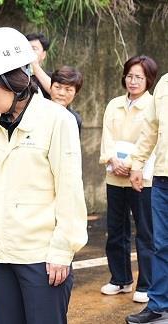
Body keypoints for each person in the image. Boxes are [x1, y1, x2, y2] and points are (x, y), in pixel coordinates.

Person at [0, 27, 88, 324]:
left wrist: (63, 249)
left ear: (14, 80)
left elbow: (70, 189)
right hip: (0, 254)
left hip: (41, 257)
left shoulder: (57, 120)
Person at [99, 55, 158, 304]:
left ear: (149, 80)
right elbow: (107, 137)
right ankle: (120, 279)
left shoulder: (154, 106)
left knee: (145, 232)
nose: (133, 81)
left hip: (141, 179)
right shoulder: (114, 104)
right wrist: (113, 161)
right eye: (129, 76)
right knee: (115, 230)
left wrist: (133, 164)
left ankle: (146, 284)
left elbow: (152, 141)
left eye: (139, 77)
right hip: (115, 176)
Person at [126, 73, 168, 323]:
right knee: (161, 245)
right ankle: (159, 304)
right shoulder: (164, 83)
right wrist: (137, 162)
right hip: (163, 179)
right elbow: (152, 127)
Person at [49, 65, 83, 134]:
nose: (61, 93)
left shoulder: (75, 120)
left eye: (68, 90)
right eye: (57, 87)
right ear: (50, 87)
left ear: (75, 93)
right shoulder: (36, 112)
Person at [26, 32, 52, 99]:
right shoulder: (15, 73)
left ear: (43, 55)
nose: (29, 51)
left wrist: (35, 65)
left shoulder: (50, 77)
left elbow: (54, 92)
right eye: (26, 48)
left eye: (34, 48)